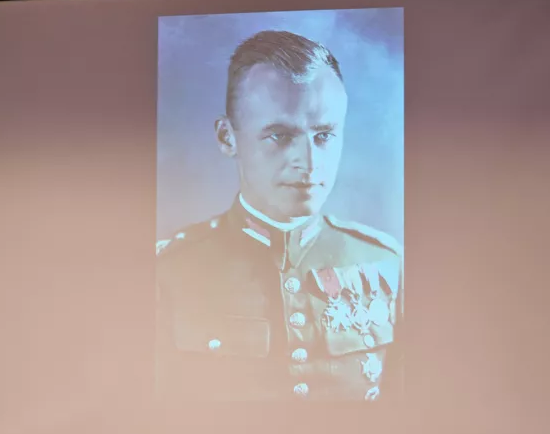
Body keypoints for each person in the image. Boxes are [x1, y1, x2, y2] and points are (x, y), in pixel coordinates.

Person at [156, 30, 404, 402]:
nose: (309, 163)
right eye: (279, 136)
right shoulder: (167, 271)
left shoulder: (385, 262)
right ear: (227, 138)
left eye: (323, 136)